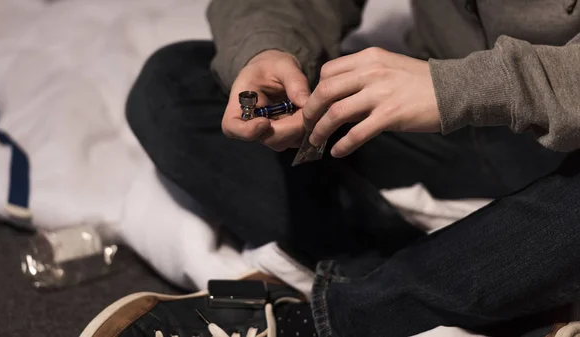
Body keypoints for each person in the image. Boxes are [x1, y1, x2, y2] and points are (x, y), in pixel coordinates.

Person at [84, 1, 580, 336]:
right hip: (437, 109)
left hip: (560, 140)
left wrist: (462, 88)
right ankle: (481, 274)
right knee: (172, 86)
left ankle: (328, 318)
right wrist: (269, 49)